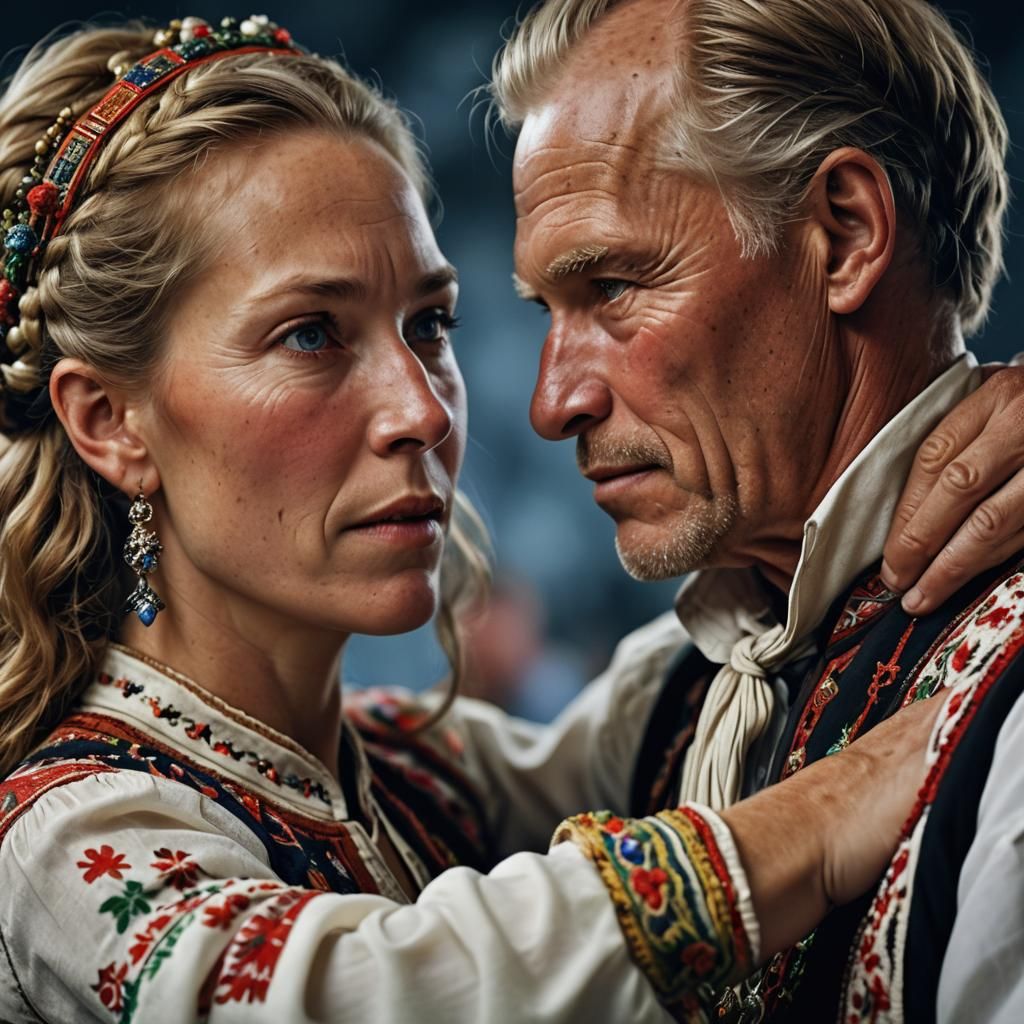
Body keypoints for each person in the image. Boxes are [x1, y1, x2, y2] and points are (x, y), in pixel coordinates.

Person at [0, 16, 971, 1024]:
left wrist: (962, 421)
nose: (422, 408)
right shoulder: (63, 834)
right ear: (112, 424)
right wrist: (810, 824)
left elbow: (711, 682)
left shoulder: (415, 773)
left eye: (428, 324)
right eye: (311, 334)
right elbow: (356, 993)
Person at [491, 0, 1024, 1020]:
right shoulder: (675, 688)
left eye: (611, 285)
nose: (553, 402)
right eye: (545, 312)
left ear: (844, 235)